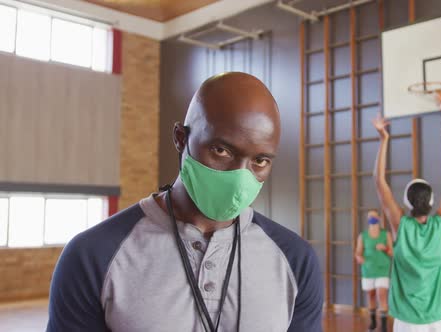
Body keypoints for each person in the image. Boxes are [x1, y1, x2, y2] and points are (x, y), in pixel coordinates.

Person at [46, 72, 323, 332]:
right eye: (221, 150)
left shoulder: (295, 260)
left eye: (260, 161)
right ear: (181, 138)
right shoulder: (93, 256)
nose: (240, 177)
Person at [372, 88, 441, 332]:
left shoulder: (401, 227)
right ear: (432, 202)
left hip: (408, 319)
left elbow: (379, 182)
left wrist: (384, 140)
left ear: (406, 204)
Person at [355, 210, 393, 332]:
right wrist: (359, 257)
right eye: (369, 216)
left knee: (381, 294)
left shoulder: (386, 234)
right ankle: (373, 322)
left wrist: (385, 248)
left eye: (374, 216)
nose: (372, 217)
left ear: (379, 218)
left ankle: (383, 327)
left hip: (383, 269)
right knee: (371, 296)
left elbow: (392, 252)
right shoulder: (363, 235)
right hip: (368, 270)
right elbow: (358, 252)